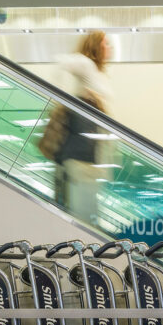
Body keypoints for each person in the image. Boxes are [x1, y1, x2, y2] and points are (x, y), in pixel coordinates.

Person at [46, 31, 115, 224]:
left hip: (85, 159)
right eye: (105, 43)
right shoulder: (87, 65)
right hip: (80, 159)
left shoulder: (96, 73)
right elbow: (62, 62)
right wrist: (59, 93)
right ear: (95, 46)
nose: (109, 47)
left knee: (85, 214)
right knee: (84, 218)